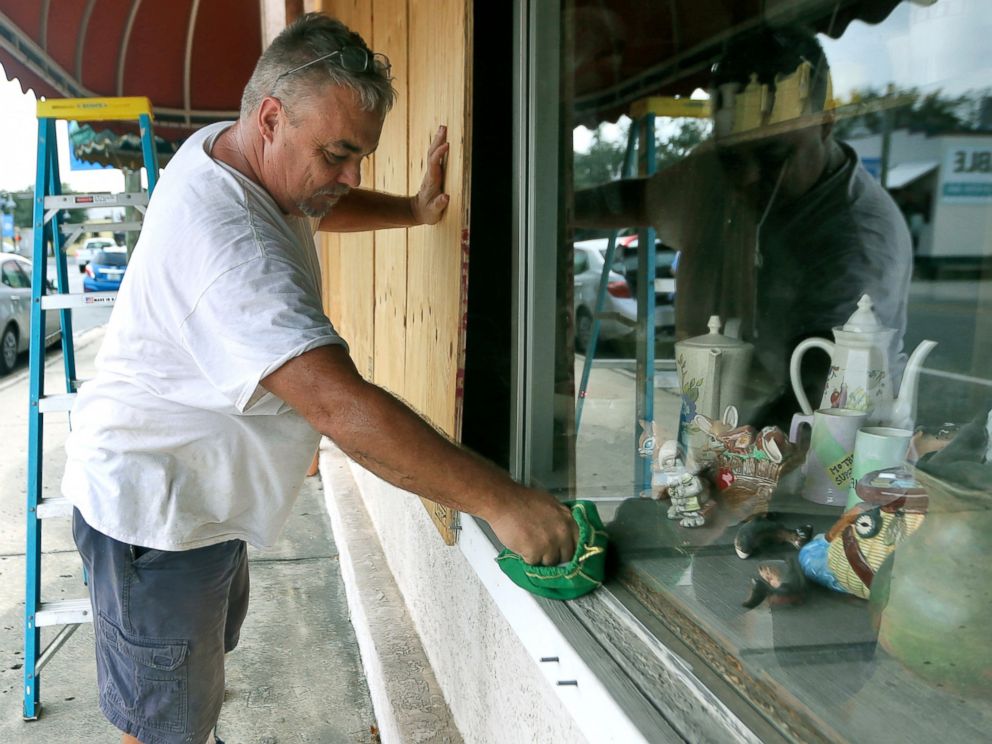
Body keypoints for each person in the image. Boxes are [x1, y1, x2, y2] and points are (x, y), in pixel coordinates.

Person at [62, 14, 578, 744]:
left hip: (197, 501)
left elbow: (309, 204)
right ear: (271, 117)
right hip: (155, 518)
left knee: (186, 702)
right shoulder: (230, 248)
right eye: (338, 154)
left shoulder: (238, 150)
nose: (350, 176)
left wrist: (411, 209)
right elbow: (340, 406)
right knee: (162, 727)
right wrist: (503, 501)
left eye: (359, 157)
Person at [576, 26, 912, 428]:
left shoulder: (857, 238)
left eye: (773, 157)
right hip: (738, 424)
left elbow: (820, 388)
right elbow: (635, 200)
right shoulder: (721, 172)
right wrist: (551, 209)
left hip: (832, 454)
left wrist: (737, 464)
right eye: (732, 158)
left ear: (826, 124)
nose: (748, 178)